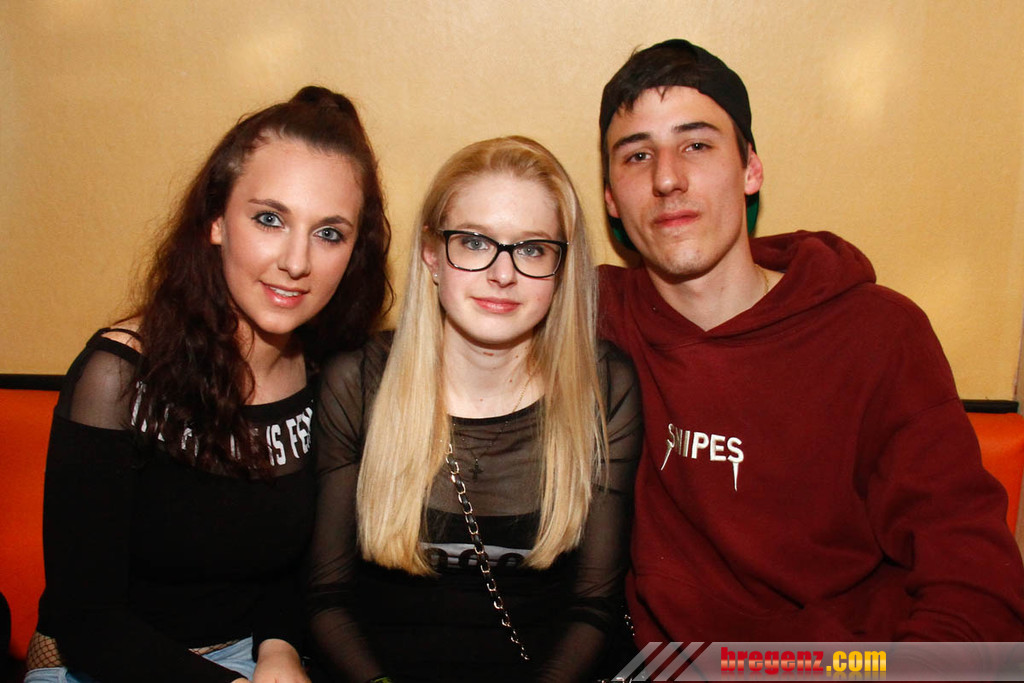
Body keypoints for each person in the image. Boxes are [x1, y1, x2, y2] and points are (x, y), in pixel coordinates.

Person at [597, 39, 1024, 643]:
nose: (667, 178)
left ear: (750, 169)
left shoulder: (876, 335)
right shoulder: (593, 319)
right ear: (611, 198)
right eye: (637, 155)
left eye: (697, 145)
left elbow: (977, 590)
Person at [25, 86, 391, 683]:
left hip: (250, 657)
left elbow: (293, 568)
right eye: (269, 219)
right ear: (216, 221)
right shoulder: (119, 375)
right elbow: (87, 619)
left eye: (329, 233)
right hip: (102, 665)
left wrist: (278, 649)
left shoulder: (328, 374)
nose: (296, 261)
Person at [307, 136, 643, 682]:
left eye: (532, 249)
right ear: (431, 254)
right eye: (473, 242)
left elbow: (594, 604)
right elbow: (327, 595)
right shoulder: (359, 381)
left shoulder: (603, 387)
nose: (502, 274)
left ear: (561, 268)